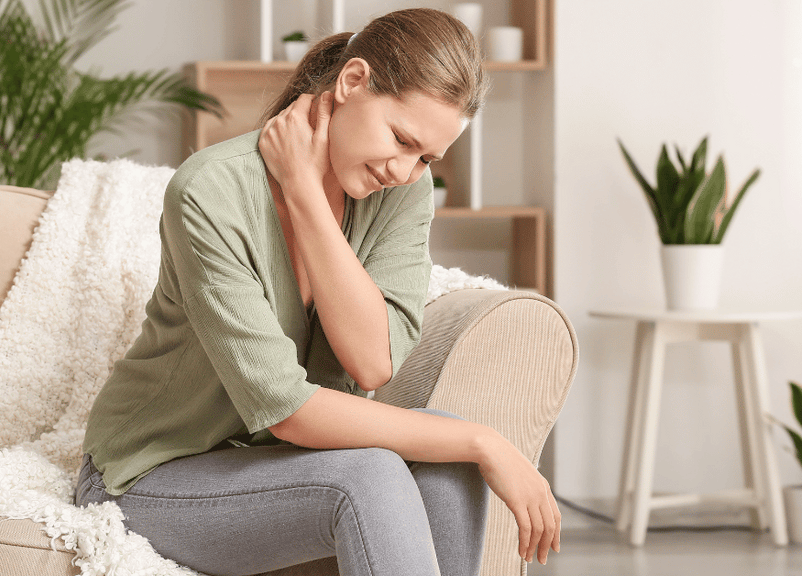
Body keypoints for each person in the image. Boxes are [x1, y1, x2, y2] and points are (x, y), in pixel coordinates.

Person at [78, 8, 560, 576]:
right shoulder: (209, 192)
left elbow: (371, 361)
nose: (405, 169)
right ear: (352, 82)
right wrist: (483, 439)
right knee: (387, 469)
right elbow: (287, 411)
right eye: (401, 139)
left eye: (425, 156)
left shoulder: (404, 190)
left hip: (276, 466)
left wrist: (307, 196)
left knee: (445, 461)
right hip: (151, 475)